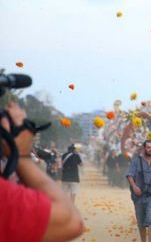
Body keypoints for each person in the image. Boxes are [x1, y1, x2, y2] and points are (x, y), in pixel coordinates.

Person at [1, 101, 84, 241]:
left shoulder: (63, 155)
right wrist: (21, 156)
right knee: (72, 193)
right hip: (70, 179)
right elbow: (71, 222)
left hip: (66, 177)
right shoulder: (4, 195)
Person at [126, 140, 151, 242]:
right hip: (139, 196)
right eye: (148, 147)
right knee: (141, 222)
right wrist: (134, 187)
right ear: (144, 148)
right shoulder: (136, 162)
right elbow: (130, 175)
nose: (150, 149)